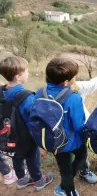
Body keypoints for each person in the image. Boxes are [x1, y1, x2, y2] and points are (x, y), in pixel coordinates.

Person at [0, 57, 53, 190]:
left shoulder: (2, 91)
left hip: (9, 136)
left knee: (16, 156)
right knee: (32, 157)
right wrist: (41, 144)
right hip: (26, 138)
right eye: (26, 71)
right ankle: (38, 179)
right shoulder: (26, 96)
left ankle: (21, 178)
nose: (28, 73)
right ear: (18, 76)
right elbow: (33, 123)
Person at [37, 57, 86, 196]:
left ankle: (65, 186)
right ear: (66, 81)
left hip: (52, 140)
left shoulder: (40, 93)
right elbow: (79, 125)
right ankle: (68, 190)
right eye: (75, 76)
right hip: (72, 141)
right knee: (81, 157)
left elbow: (36, 119)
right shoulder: (73, 97)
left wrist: (41, 144)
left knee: (64, 169)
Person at [71, 76, 97, 184]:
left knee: (81, 151)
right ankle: (68, 178)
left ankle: (83, 170)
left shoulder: (77, 87)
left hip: (80, 129)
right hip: (64, 131)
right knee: (71, 154)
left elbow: (94, 83)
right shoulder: (50, 91)